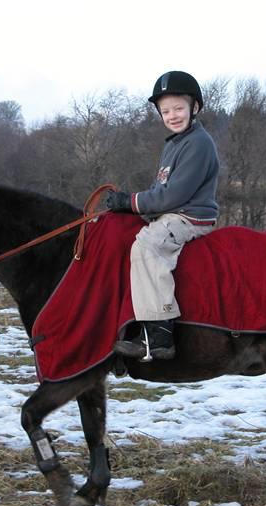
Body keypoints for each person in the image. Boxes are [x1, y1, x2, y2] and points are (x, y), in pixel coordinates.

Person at [106, 70, 220, 361]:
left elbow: (174, 195)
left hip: (190, 217)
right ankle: (125, 324)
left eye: (179, 108)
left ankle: (160, 334)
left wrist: (131, 201)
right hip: (172, 214)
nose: (173, 115)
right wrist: (129, 207)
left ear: (194, 108)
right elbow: (161, 190)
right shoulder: (174, 144)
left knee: (148, 245)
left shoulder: (198, 143)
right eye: (165, 111)